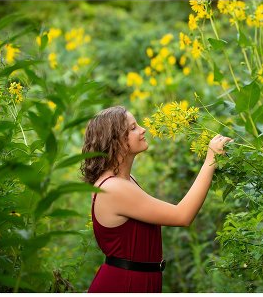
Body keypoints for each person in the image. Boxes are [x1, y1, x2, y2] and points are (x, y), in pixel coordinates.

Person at [82, 105, 232, 293]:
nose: (143, 129)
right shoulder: (114, 188)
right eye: (133, 127)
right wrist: (211, 158)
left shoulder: (125, 181)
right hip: (124, 285)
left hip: (137, 281)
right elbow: (182, 215)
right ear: (115, 141)